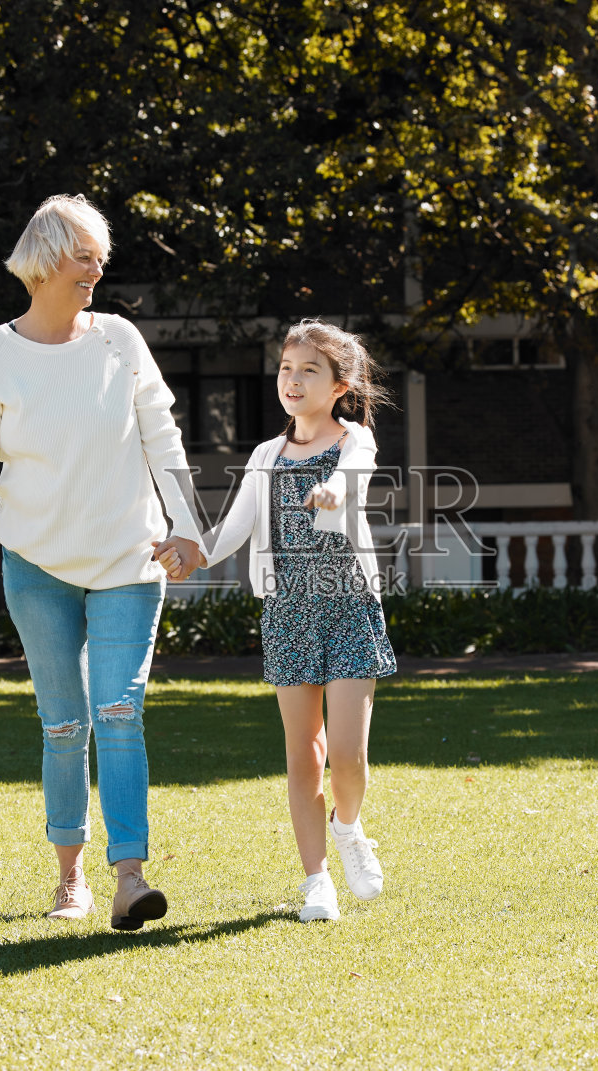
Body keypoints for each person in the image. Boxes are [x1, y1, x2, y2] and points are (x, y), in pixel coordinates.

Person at [0, 194, 204, 931]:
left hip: (128, 556)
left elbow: (163, 437)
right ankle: (71, 881)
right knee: (64, 726)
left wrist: (189, 528)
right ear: (45, 258)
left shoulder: (120, 339)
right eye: (84, 255)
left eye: (100, 257)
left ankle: (131, 877)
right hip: (35, 565)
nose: (97, 268)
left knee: (119, 711)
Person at [186, 319, 397, 922]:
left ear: (340, 385)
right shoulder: (265, 455)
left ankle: (349, 828)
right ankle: (316, 882)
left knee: (349, 760)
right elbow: (233, 529)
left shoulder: (354, 441)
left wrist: (332, 491)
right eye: (286, 368)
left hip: (349, 605)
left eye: (309, 370)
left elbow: (353, 475)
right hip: (288, 614)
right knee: (303, 754)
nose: (293, 379)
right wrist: (192, 553)